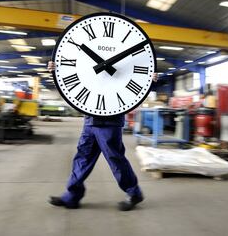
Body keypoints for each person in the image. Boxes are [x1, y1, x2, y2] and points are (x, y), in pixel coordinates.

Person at [47, 61, 157, 211]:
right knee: (82, 157)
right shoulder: (90, 59)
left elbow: (133, 81)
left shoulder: (123, 63)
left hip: (109, 120)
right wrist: (56, 70)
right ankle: (72, 196)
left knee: (115, 158)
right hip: (90, 118)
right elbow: (78, 74)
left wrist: (149, 81)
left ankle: (134, 192)